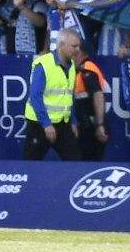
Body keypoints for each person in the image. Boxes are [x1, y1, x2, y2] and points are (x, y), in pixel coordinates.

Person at [25, 28, 91, 161]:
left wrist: (73, 121)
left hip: (63, 123)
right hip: (39, 123)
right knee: (31, 164)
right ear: (61, 45)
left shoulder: (72, 65)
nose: (78, 49)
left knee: (74, 162)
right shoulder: (43, 64)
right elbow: (36, 96)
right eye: (74, 46)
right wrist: (46, 124)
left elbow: (69, 96)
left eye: (79, 46)